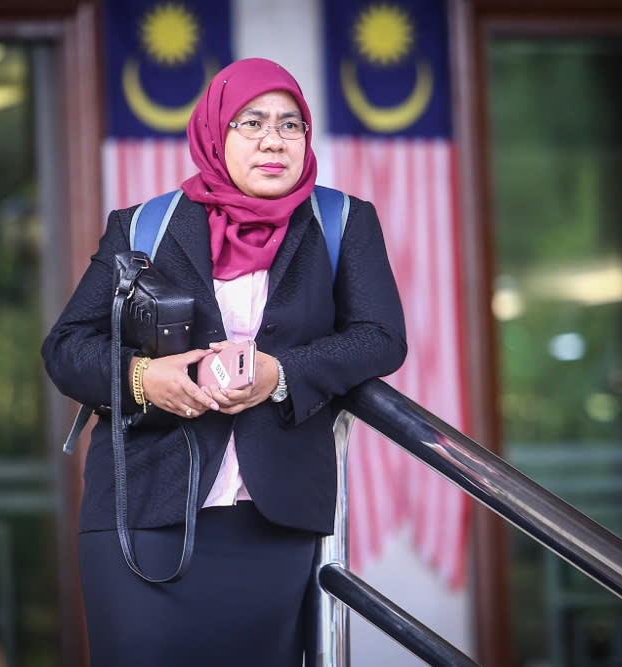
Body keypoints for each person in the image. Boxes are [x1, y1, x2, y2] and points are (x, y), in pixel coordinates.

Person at [41, 57, 406, 666]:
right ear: (215, 132)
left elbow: (380, 337)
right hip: (143, 511)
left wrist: (280, 374)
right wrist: (144, 379)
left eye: (291, 125)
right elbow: (67, 347)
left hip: (272, 515)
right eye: (251, 122)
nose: (273, 140)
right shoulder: (142, 228)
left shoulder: (342, 222)